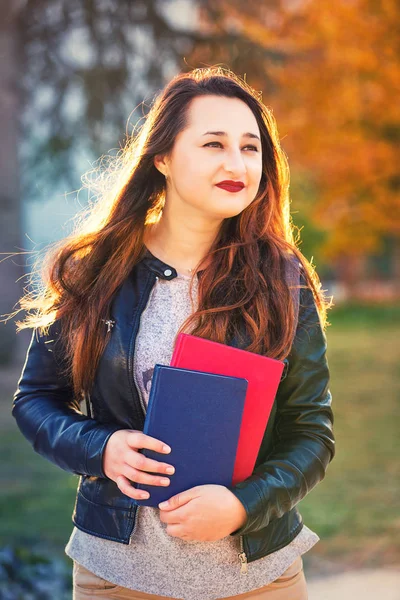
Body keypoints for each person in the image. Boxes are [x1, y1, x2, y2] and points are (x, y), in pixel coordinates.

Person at [12, 66, 335, 600]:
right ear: (162, 158)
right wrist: (103, 446)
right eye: (214, 144)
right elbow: (36, 400)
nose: (237, 164)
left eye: (251, 148)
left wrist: (243, 504)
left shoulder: (282, 278)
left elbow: (312, 431)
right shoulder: (93, 271)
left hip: (260, 579)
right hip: (117, 579)